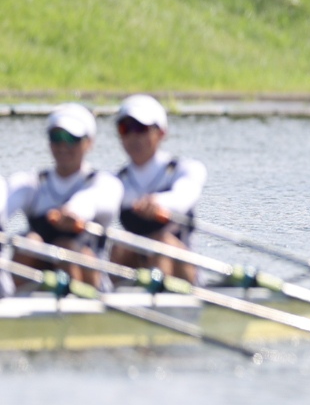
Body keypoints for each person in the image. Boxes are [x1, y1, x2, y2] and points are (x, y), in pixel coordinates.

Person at [5, 104, 122, 288]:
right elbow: (6, 200)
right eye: (56, 137)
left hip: (89, 281)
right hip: (37, 273)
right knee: (29, 242)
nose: (63, 146)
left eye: (72, 138)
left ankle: (77, 302)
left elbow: (94, 199)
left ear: (89, 142)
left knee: (66, 246)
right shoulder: (33, 183)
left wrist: (73, 211)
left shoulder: (103, 183)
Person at [109, 94, 207, 279]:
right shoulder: (115, 180)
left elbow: (183, 198)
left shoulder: (185, 169)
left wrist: (157, 202)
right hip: (135, 262)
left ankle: (161, 291)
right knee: (121, 244)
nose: (133, 136)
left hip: (183, 272)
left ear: (161, 133)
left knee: (161, 242)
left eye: (141, 128)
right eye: (125, 129)